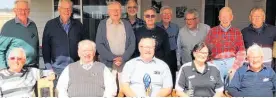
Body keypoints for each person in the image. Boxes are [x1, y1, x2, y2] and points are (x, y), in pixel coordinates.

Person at [42, 0, 87, 85]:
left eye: (69, 8)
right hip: (56, 69)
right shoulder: (50, 24)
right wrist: (48, 67)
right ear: (59, 9)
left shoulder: (78, 25)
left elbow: (84, 45)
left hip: (75, 68)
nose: (67, 11)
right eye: (64, 8)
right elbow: (45, 47)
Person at [96, 1, 135, 90]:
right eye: (113, 10)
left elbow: (132, 43)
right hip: (108, 63)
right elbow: (99, 44)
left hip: (124, 62)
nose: (116, 12)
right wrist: (113, 58)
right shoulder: (102, 24)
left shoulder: (126, 24)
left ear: (121, 12)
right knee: (109, 90)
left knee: (124, 90)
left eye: (118, 10)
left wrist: (123, 58)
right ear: (108, 12)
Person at [205, 7, 246, 81]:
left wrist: (235, 67)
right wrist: (211, 64)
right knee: (217, 90)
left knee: (231, 90)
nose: (225, 19)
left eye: (227, 16)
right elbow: (206, 50)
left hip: (232, 63)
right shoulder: (212, 31)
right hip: (216, 63)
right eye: (222, 17)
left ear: (232, 17)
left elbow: (241, 52)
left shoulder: (237, 32)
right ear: (219, 18)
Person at [0, 0, 39, 68]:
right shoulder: (8, 26)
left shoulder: (33, 25)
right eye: (20, 9)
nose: (23, 12)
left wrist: (37, 64)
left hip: (32, 67)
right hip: (15, 69)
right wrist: (3, 69)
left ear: (29, 11)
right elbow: (1, 50)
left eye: (25, 9)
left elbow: (36, 46)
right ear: (15, 10)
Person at [156, 6, 179, 86]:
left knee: (171, 75)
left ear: (171, 16)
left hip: (171, 55)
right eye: (164, 13)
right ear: (161, 15)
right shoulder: (156, 26)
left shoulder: (175, 27)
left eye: (169, 14)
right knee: (159, 74)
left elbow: (178, 43)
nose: (166, 15)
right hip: (158, 54)